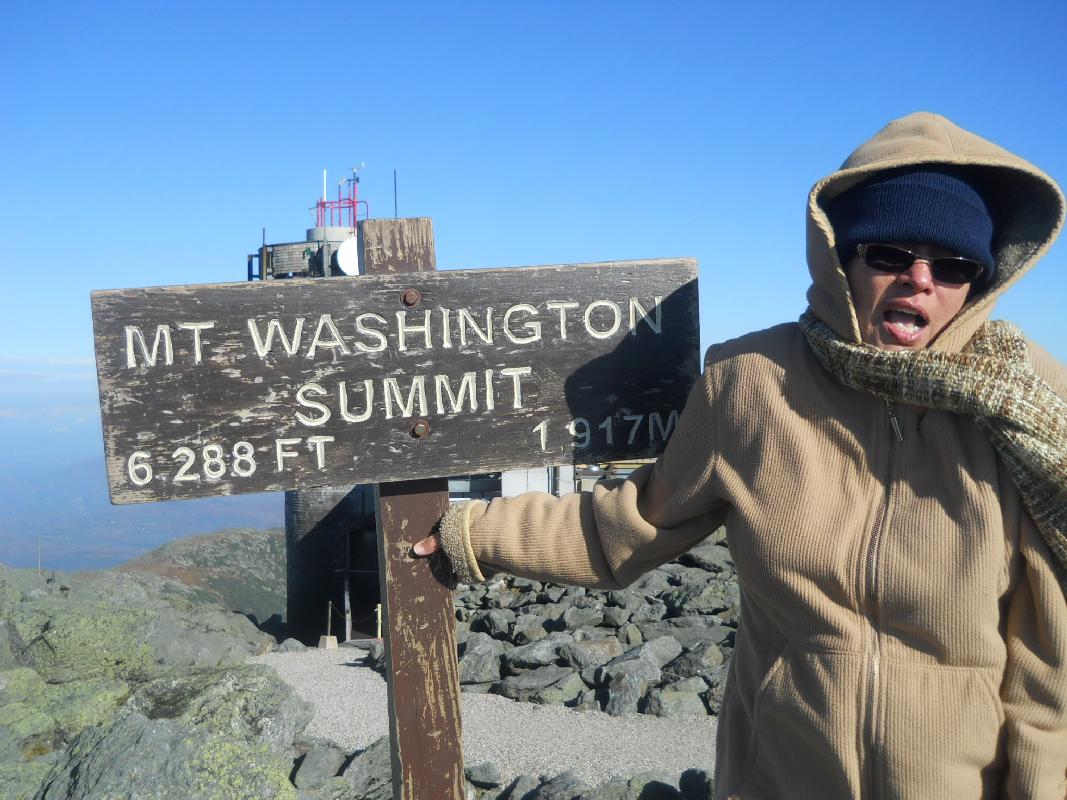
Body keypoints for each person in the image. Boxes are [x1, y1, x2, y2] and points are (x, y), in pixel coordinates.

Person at [414, 112, 1067, 798]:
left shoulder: (1028, 410)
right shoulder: (749, 381)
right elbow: (635, 522)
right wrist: (471, 533)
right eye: (891, 254)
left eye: (954, 266)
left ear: (979, 284)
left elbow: (1046, 663)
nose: (920, 280)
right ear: (842, 257)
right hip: (779, 776)